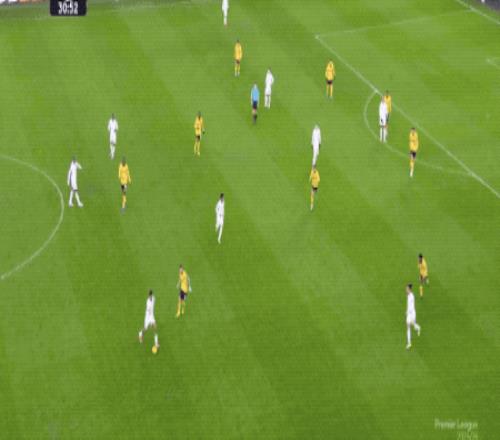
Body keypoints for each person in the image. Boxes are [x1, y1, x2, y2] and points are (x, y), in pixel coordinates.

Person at [406, 284, 421, 349]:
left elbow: (411, 307)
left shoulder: (412, 296)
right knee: (408, 326)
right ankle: (409, 343)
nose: (406, 290)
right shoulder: (408, 295)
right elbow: (408, 305)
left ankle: (418, 328)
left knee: (413, 325)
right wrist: (407, 311)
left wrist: (408, 311)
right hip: (409, 314)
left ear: (409, 289)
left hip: (412, 313)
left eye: (407, 289)